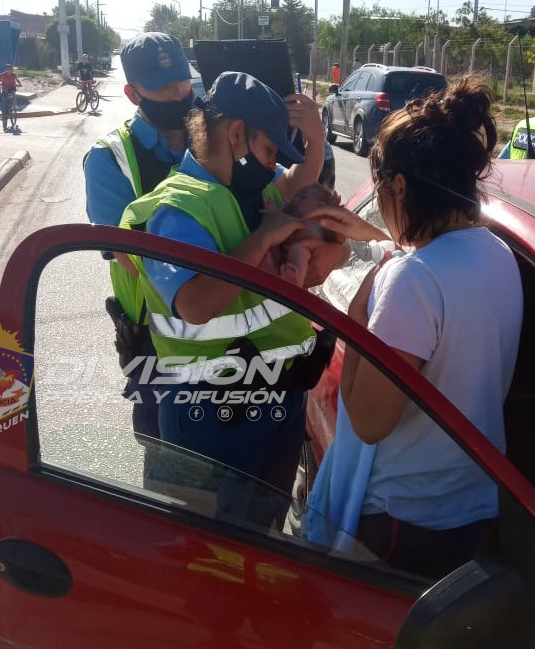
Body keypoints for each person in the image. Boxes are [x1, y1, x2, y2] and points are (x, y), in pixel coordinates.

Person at [305, 76, 524, 578]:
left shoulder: (413, 280)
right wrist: (381, 241)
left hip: (405, 521)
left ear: (399, 186)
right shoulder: (497, 253)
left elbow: (369, 422)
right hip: (473, 507)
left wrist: (359, 312)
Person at [119, 71, 346, 522]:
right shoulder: (177, 208)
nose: (272, 166)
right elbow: (195, 304)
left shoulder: (240, 192)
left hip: (272, 400)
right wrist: (263, 239)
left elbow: (298, 181)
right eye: (268, 152)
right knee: (208, 545)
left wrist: (316, 140)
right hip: (208, 415)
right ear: (237, 135)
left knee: (262, 535)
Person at [84, 32, 195, 443]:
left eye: (182, 82)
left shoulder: (216, 138)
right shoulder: (109, 159)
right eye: (163, 88)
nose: (178, 94)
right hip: (156, 342)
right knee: (167, 461)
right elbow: (129, 260)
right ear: (133, 93)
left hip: (228, 333)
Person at [270, 184, 340, 286]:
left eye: (302, 197)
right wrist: (274, 214)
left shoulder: (322, 223)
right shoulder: (288, 217)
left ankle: (294, 278)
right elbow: (274, 223)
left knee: (299, 249)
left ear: (321, 206)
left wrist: (334, 212)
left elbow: (338, 238)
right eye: (294, 197)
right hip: (281, 254)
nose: (294, 200)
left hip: (308, 252)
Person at [0, 64, 22, 132]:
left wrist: (19, 83)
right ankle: (4, 127)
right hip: (5, 91)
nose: (10, 71)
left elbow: (17, 80)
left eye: (11, 69)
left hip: (12, 89)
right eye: (8, 69)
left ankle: (15, 104)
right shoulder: (2, 75)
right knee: (4, 110)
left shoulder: (13, 75)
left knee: (13, 91)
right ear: (6, 70)